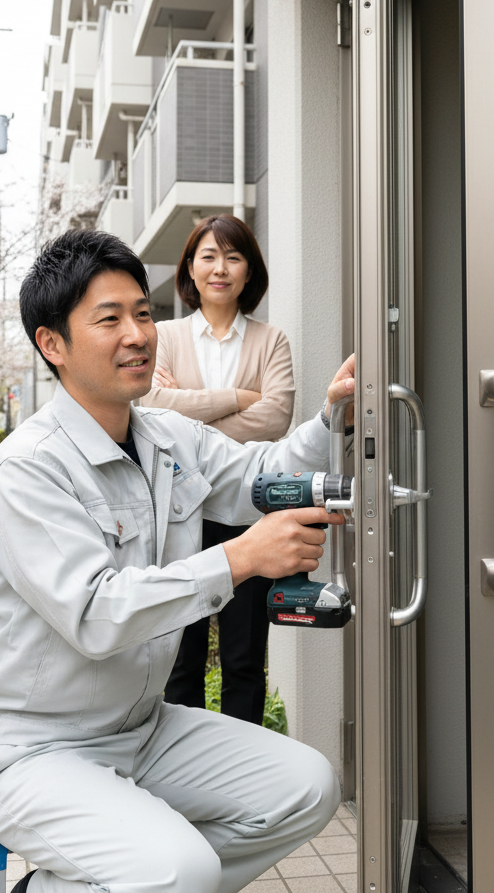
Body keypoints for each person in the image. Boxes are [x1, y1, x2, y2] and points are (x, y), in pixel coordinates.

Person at [0, 229, 356, 893]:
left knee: (309, 788)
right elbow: (96, 613)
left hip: (140, 728)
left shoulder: (168, 436)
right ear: (52, 344)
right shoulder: (28, 469)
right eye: (109, 319)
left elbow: (263, 475)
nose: (138, 334)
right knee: (181, 868)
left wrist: (329, 418)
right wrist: (239, 559)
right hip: (31, 748)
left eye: (142, 313)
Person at [141, 215, 293, 725]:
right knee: (180, 657)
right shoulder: (163, 336)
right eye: (208, 256)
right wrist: (236, 398)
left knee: (244, 658)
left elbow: (276, 417)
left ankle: (244, 775)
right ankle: (190, 773)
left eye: (233, 257)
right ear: (190, 268)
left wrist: (190, 409)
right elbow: (154, 407)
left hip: (249, 515)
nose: (220, 268)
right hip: (180, 514)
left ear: (250, 271)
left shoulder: (271, 341)